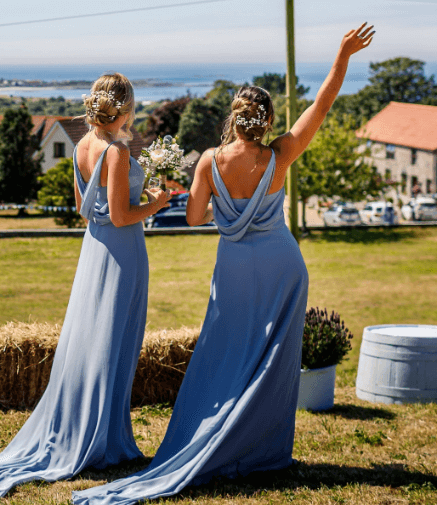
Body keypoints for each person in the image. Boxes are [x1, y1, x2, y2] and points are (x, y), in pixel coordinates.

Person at [72, 23, 374, 505]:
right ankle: (260, 450)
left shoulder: (210, 161)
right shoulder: (281, 155)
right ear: (267, 119)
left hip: (234, 268)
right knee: (273, 361)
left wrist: (226, 210)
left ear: (233, 118)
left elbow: (193, 217)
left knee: (222, 353)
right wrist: (342, 56)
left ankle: (206, 438)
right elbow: (322, 103)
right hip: (283, 267)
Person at [0, 73, 171, 500]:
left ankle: (101, 434)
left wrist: (135, 200)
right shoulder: (115, 150)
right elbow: (120, 216)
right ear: (126, 106)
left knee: (94, 343)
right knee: (112, 344)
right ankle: (101, 442)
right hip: (121, 254)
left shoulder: (82, 145)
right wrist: (156, 203)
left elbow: (86, 210)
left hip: (95, 250)